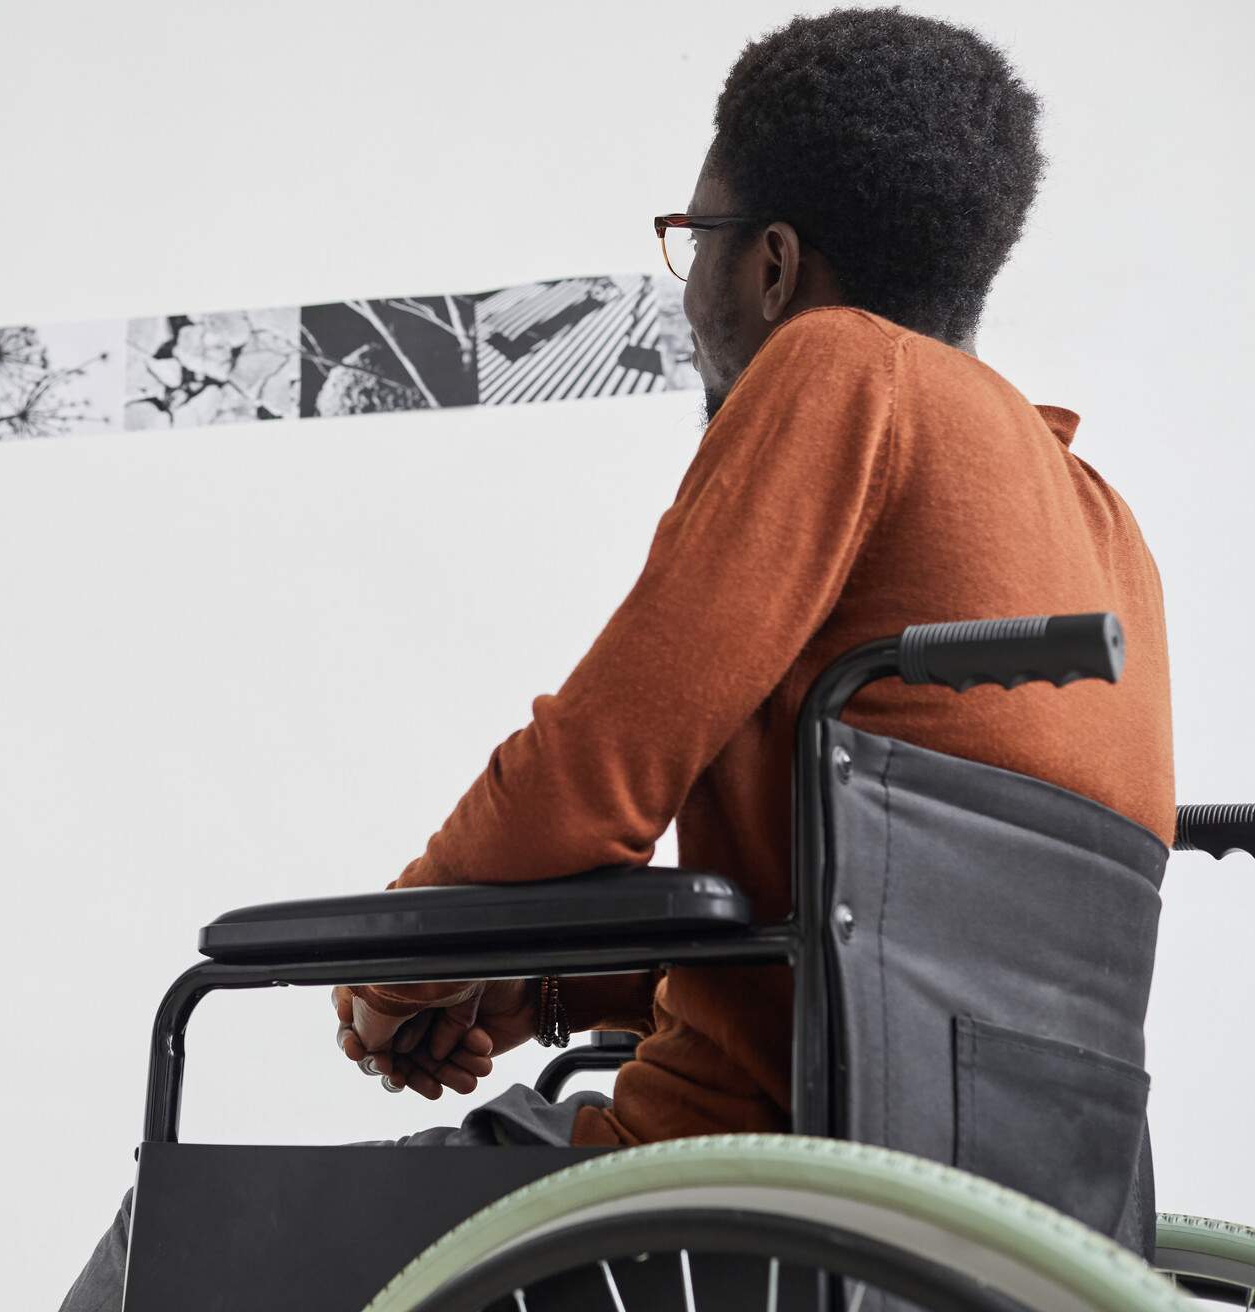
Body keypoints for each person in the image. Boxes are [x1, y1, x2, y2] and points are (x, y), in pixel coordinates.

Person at [60, 5, 1178, 1307]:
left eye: (692, 242)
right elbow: (884, 960)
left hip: (714, 1211)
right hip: (987, 1226)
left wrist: (393, 968)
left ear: (768, 264)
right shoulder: (1106, 530)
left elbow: (586, 776)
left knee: (168, 1252)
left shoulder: (840, 377)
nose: (688, 286)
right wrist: (538, 990)